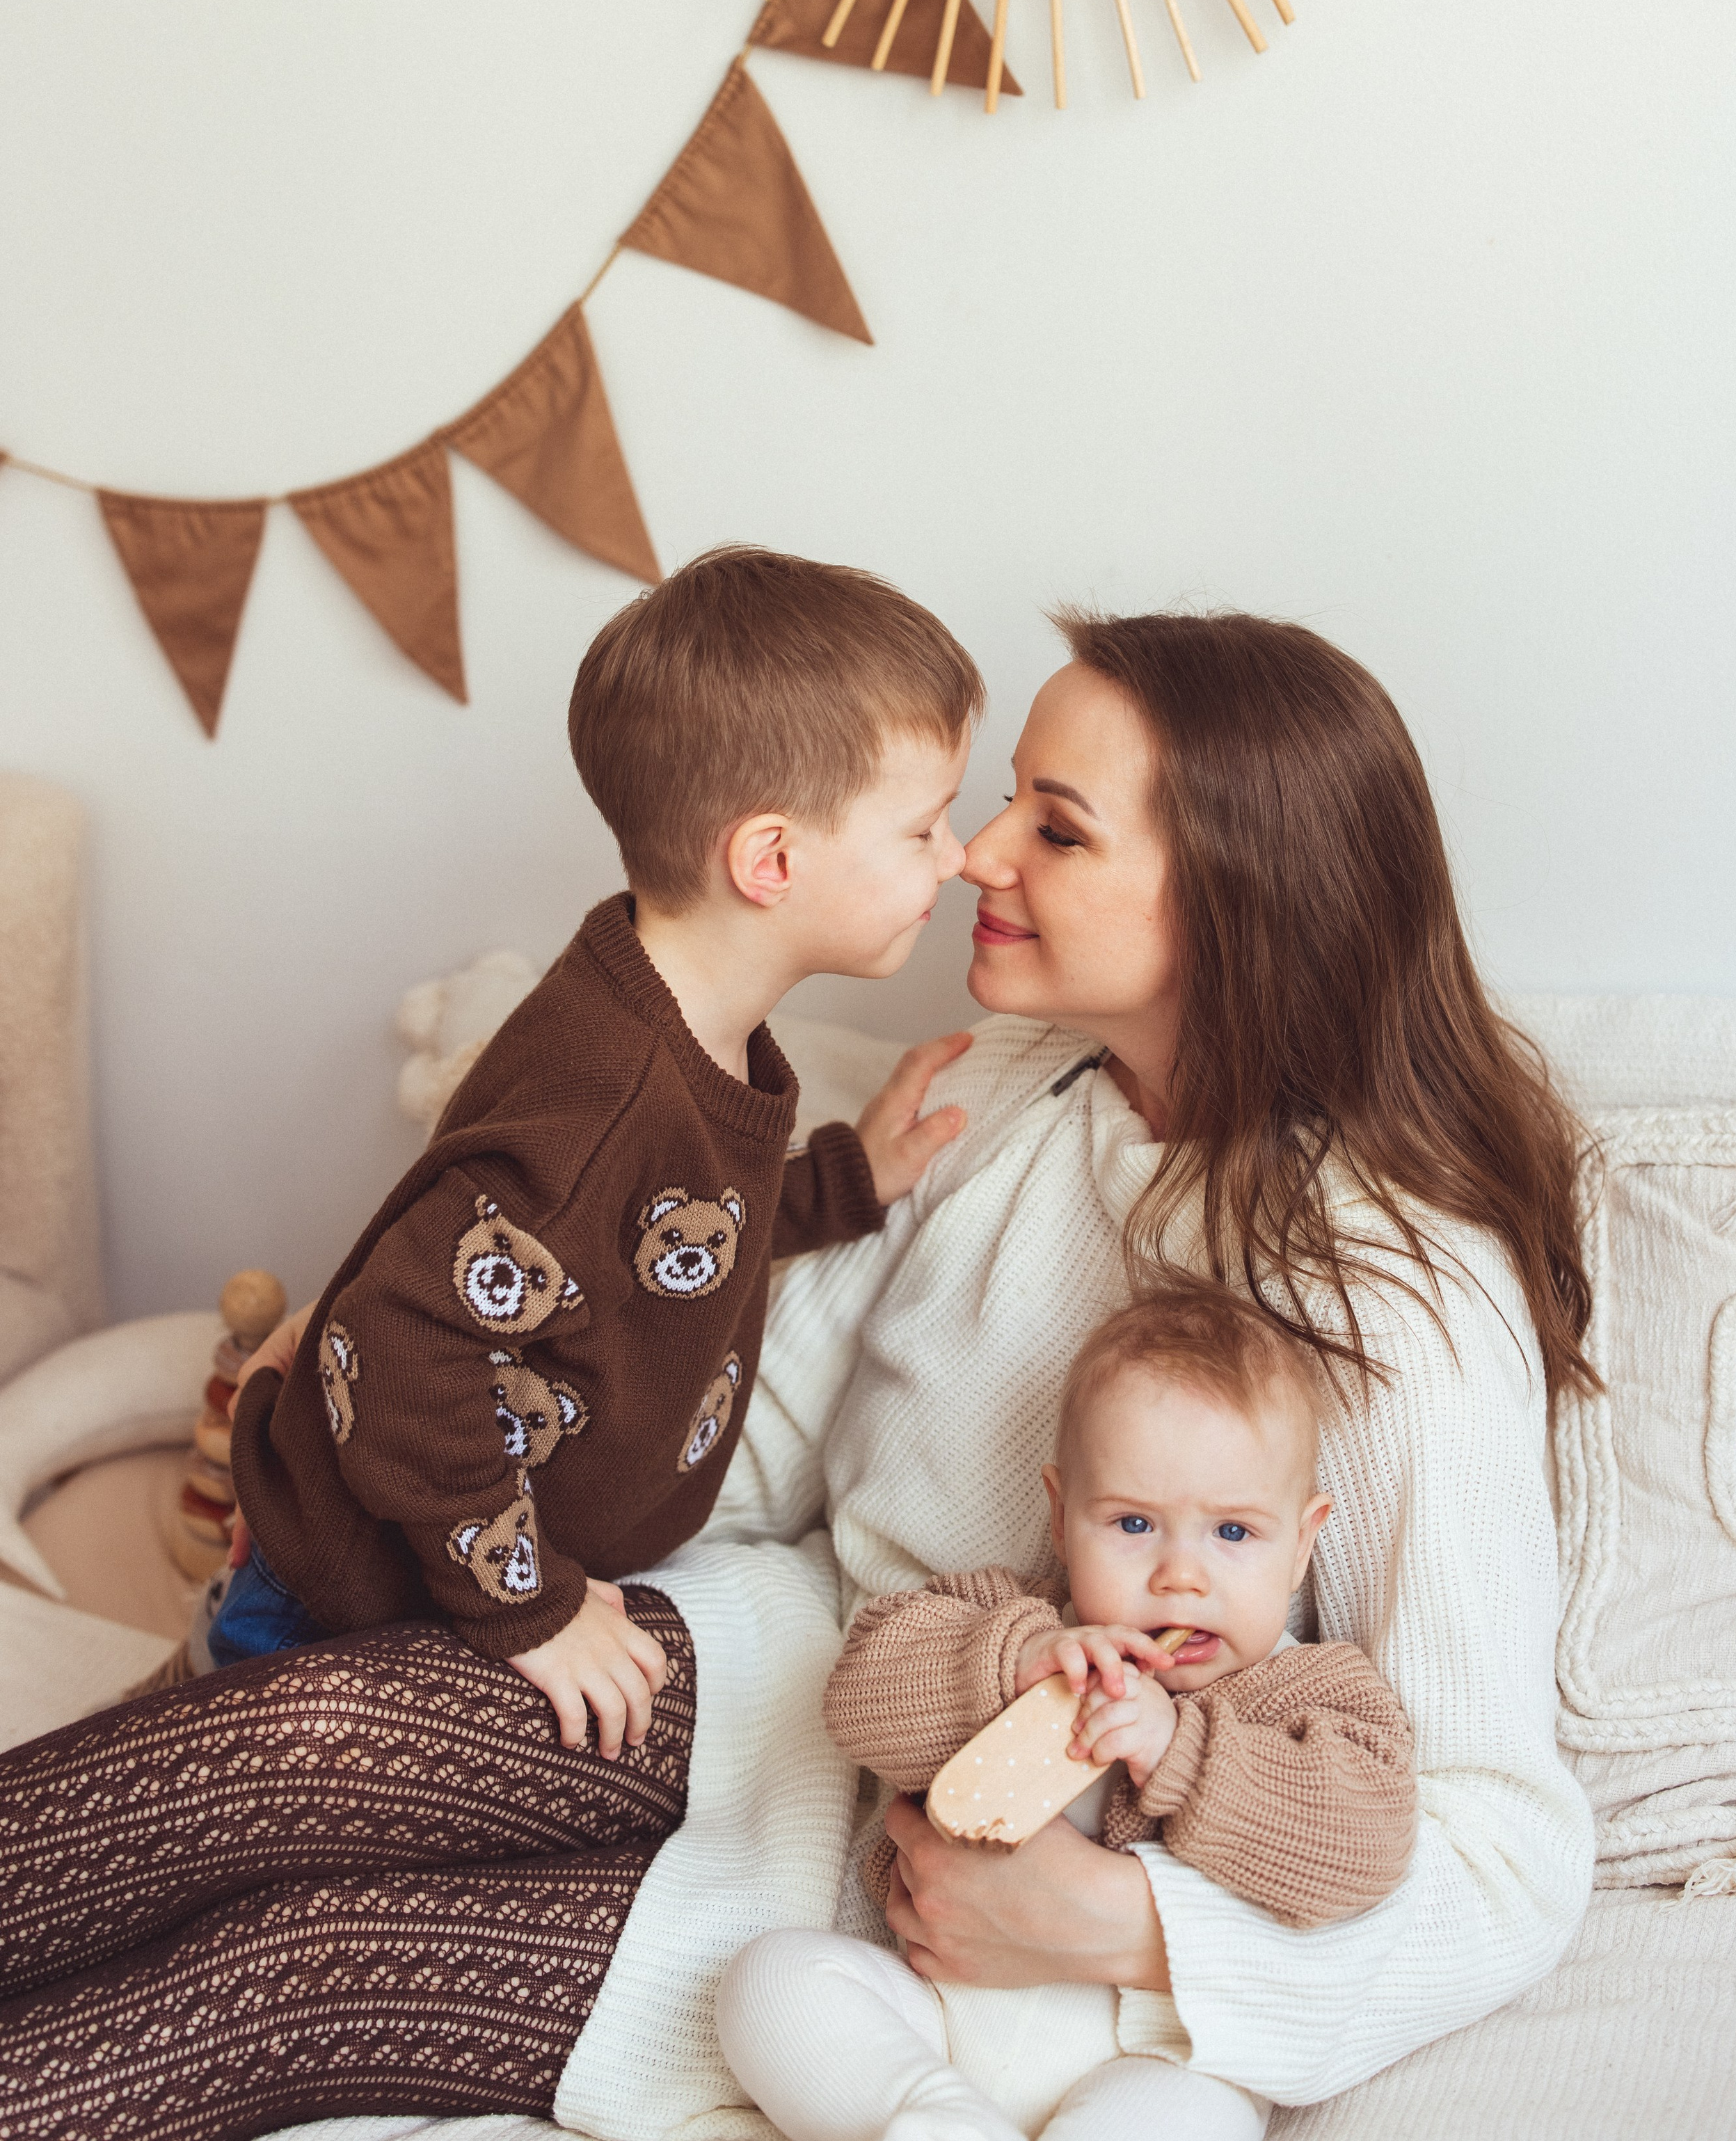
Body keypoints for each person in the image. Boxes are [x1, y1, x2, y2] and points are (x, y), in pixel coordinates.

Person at [0, 608, 1598, 2140]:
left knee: (295, 1971)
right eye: (998, 804)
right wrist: (398, 1418)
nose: (978, 853)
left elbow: (1503, 1851)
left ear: (1237, 899)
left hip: (919, 1894)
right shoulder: (1013, 1088)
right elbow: (740, 1441)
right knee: (291, 1748)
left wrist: (1121, 1925)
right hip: (796, 1669)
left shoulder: (1398, 1287)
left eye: (1054, 828)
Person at [218, 544, 982, 1760]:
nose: (960, 856)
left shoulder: (678, 1020)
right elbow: (400, 1340)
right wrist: (529, 1606)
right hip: (352, 1591)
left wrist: (845, 1181)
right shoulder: (610, 1092)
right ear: (772, 861)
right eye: (925, 826)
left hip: (458, 1567)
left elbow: (649, 1233)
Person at [718, 1284, 1418, 2141]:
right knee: (771, 1983)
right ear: (1060, 1515)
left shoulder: (1305, 1692)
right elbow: (859, 1693)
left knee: (1193, 2117)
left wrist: (1183, 1752)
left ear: (1303, 1542)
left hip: (1152, 2058)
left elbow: (1367, 1844)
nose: (1180, 1576)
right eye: (1133, 1523)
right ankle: (930, 2116)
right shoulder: (1014, 1621)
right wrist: (1013, 1665)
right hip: (940, 2017)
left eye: (1233, 1533)